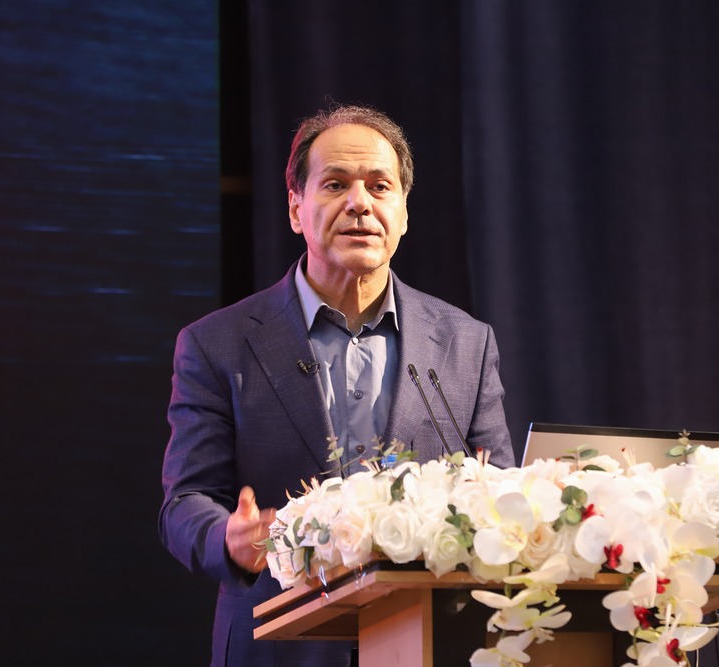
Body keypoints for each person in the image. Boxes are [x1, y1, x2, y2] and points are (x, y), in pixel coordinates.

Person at [159, 104, 515, 667]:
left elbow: (499, 491)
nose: (360, 203)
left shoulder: (465, 343)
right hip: (277, 645)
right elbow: (185, 502)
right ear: (295, 208)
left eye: (380, 186)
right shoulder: (217, 343)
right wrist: (228, 536)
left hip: (428, 640)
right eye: (335, 184)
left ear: (403, 213)